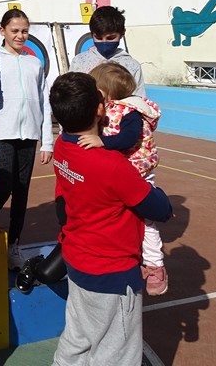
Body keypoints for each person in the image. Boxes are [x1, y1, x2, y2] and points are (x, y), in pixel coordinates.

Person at [49, 73, 172, 366]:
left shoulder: (62, 145)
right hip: (112, 270)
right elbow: (160, 209)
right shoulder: (112, 165)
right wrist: (157, 190)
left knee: (78, 338)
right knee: (116, 353)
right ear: (99, 109)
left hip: (77, 259)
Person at [78, 62, 166, 295]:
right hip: (121, 173)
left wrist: (101, 142)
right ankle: (130, 257)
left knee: (147, 222)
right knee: (123, 218)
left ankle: (155, 266)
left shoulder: (130, 112)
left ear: (104, 92)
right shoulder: (109, 108)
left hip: (139, 173)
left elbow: (128, 138)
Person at [0, 9, 53, 270]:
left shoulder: (34, 63)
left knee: (21, 192)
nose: (20, 35)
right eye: (15, 31)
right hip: (2, 135)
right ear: (2, 31)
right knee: (2, 188)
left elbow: (44, 103)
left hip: (29, 137)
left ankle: (14, 246)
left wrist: (47, 142)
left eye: (24, 31)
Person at [69, 5, 146, 96]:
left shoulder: (132, 65)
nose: (104, 42)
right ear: (92, 35)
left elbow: (138, 98)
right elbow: (71, 93)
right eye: (98, 38)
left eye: (110, 38)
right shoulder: (80, 61)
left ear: (122, 34)